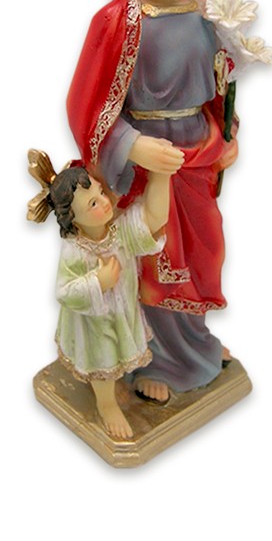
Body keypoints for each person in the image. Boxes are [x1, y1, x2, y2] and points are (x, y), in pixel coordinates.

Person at [67, 0, 238, 404]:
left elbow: (218, 80)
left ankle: (195, 346)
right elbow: (87, 106)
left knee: (204, 252)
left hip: (197, 157)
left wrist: (226, 132)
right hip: (148, 166)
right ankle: (158, 358)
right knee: (155, 260)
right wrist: (134, 145)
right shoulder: (119, 21)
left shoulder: (202, 6)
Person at [46, 160, 175, 440]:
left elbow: (153, 220)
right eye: (92, 203)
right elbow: (63, 291)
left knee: (117, 354)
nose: (104, 202)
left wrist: (162, 175)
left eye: (101, 192)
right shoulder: (75, 252)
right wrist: (97, 282)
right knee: (102, 360)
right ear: (73, 218)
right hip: (93, 324)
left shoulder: (118, 232)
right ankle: (106, 405)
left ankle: (114, 385)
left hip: (121, 314)